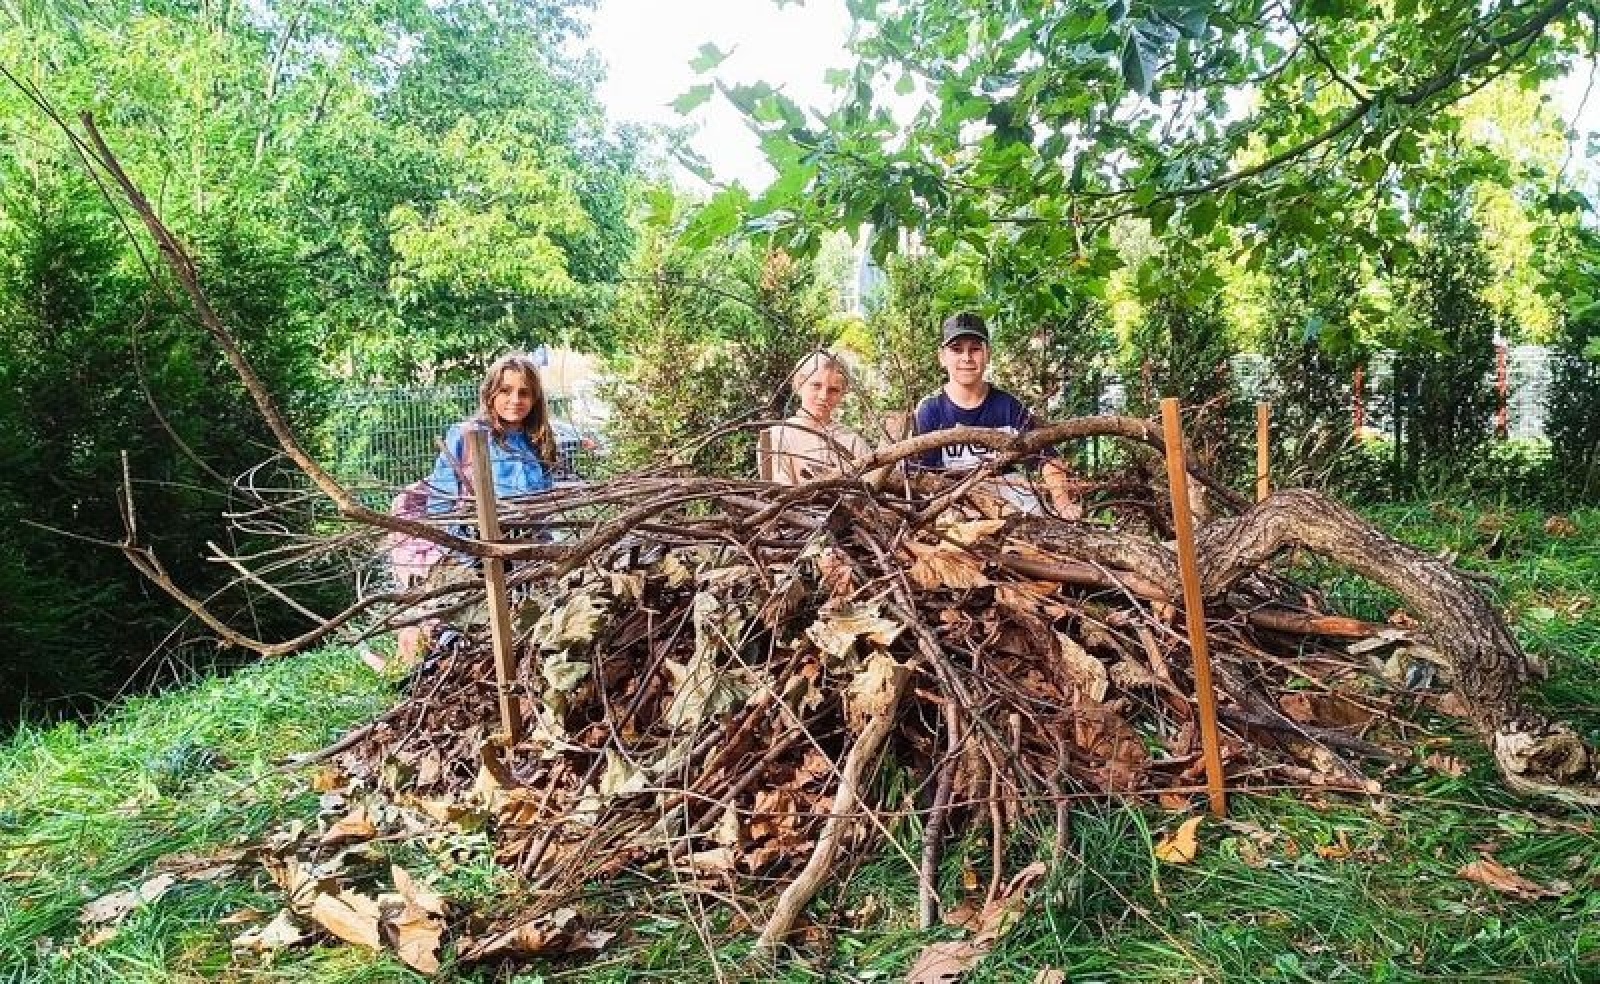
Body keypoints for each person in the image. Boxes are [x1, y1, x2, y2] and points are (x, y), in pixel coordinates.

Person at [913, 312, 1081, 517]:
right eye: (957, 349)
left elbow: (1047, 458)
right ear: (942, 357)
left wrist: (1063, 504)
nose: (966, 358)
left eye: (975, 349)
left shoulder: (1008, 407)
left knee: (1033, 512)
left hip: (1005, 492)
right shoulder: (929, 410)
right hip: (951, 495)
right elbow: (918, 477)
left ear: (988, 354)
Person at [423, 351, 558, 517]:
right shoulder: (466, 436)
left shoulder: (537, 439)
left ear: (534, 399)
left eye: (524, 393)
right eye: (505, 391)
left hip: (532, 532)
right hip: (474, 532)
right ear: (490, 393)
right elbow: (441, 500)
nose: (515, 400)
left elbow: (546, 500)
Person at [761, 351, 874, 485]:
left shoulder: (853, 442)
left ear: (842, 393)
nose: (823, 396)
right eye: (816, 385)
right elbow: (778, 491)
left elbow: (872, 487)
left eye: (833, 390)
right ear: (799, 384)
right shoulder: (777, 436)